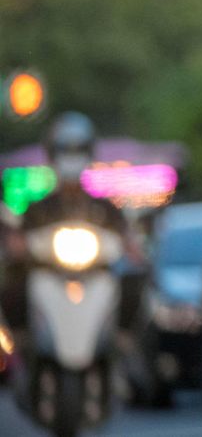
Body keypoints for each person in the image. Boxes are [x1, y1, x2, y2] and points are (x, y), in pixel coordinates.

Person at [1, 113, 143, 337]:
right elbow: (17, 243)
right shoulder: (38, 209)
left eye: (78, 150)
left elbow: (129, 243)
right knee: (13, 280)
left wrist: (131, 248)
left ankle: (124, 341)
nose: (71, 157)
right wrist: (17, 247)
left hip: (96, 282)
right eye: (65, 150)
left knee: (133, 279)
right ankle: (21, 341)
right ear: (52, 153)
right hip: (49, 283)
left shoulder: (105, 208)